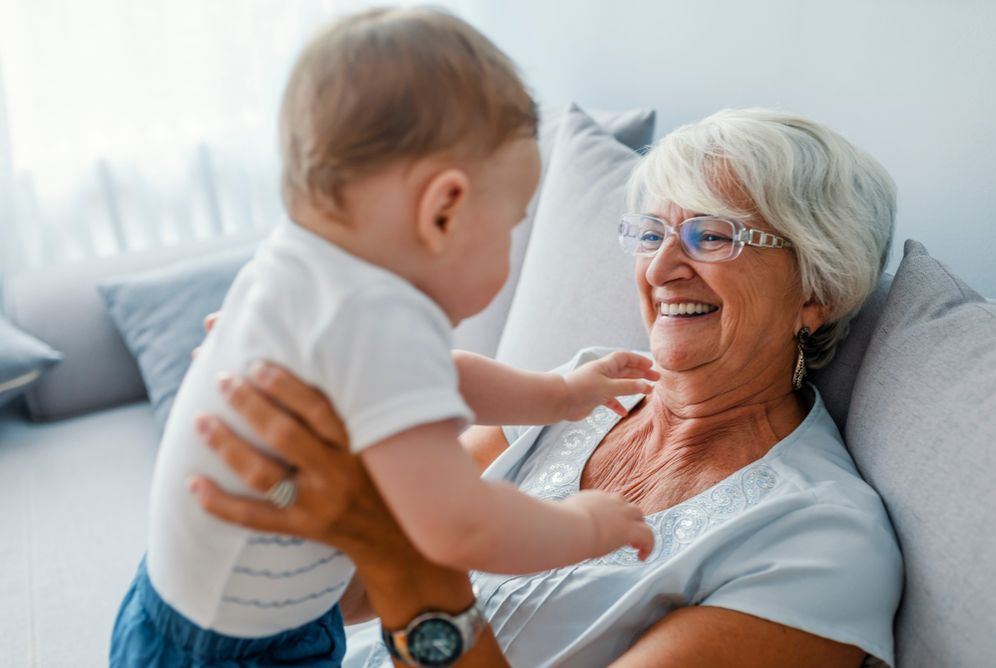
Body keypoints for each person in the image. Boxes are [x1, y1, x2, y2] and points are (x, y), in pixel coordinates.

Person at [189, 108, 905, 667]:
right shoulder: (582, 391)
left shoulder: (819, 544)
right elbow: (359, 589)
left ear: (818, 290)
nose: (660, 270)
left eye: (712, 237)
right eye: (652, 234)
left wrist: (396, 555)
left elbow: (398, 561)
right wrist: (290, 489)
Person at [110, 8, 657, 667]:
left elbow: (445, 374)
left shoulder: (299, 268)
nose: (511, 249)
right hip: (242, 653)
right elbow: (462, 525)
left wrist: (559, 394)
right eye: (511, 226)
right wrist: (586, 526)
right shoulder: (376, 321)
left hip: (170, 610)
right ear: (443, 210)